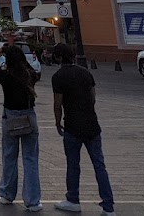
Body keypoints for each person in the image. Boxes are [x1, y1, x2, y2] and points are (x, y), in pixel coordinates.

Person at [52, 43, 114, 214]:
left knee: (73, 164)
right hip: (92, 124)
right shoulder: (86, 73)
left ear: (58, 58)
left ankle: (73, 199)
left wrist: (58, 122)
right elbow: (93, 97)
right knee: (99, 165)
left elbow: (58, 104)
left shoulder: (58, 76)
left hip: (72, 125)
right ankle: (108, 206)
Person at [0, 44, 42, 212]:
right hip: (29, 117)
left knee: (9, 157)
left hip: (10, 117)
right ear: (23, 60)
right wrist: (23, 58)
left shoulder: (5, 75)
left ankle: (7, 195)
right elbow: (36, 71)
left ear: (7, 60)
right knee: (30, 159)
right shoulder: (30, 75)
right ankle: (33, 201)